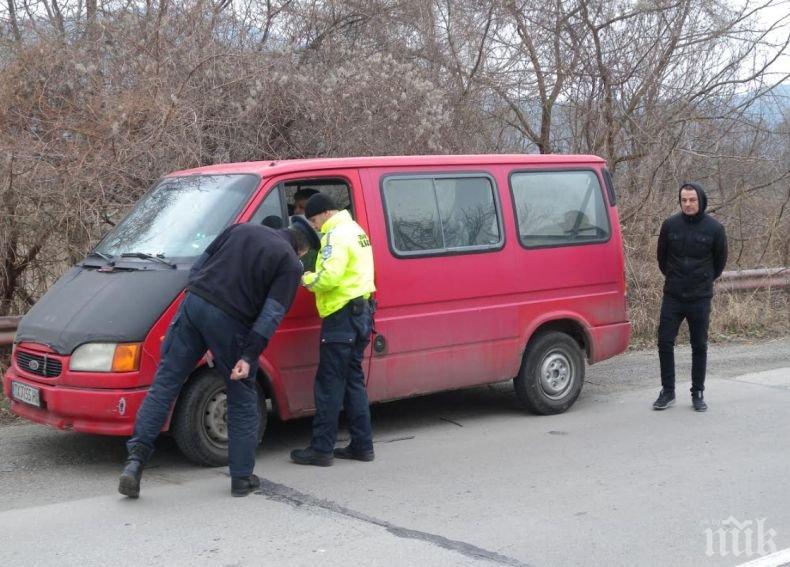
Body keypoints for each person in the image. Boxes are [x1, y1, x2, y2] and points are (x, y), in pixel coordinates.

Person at [119, 217, 320, 498]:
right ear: (303, 250)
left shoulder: (239, 229)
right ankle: (241, 478)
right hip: (231, 323)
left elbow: (200, 264)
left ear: (286, 228)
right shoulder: (288, 263)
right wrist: (249, 355)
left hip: (194, 305)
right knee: (241, 395)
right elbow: (271, 313)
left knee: (165, 383)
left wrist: (196, 297)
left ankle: (135, 462)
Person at [290, 193, 376, 466]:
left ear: (326, 213)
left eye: (314, 219)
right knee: (352, 381)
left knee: (329, 384)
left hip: (341, 316)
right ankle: (362, 446)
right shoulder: (356, 229)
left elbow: (329, 277)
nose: (314, 226)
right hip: (362, 312)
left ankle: (322, 449)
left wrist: (306, 278)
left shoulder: (335, 235)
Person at [653, 182, 727, 412]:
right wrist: (676, 278)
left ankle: (698, 392)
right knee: (665, 341)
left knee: (699, 345)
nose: (687, 204)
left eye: (692, 200)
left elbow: (719, 263)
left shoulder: (715, 229)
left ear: (701, 200)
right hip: (673, 295)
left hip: (700, 297)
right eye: (684, 200)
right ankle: (668, 391)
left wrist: (702, 280)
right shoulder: (670, 225)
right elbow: (662, 259)